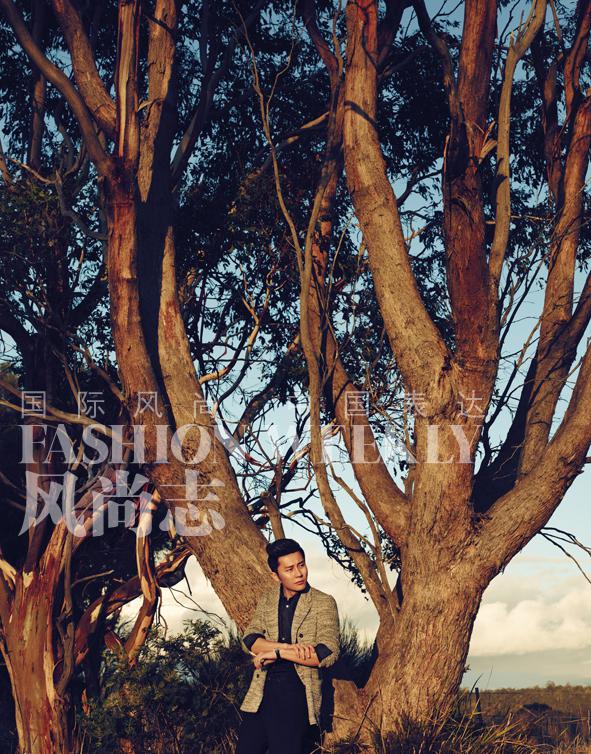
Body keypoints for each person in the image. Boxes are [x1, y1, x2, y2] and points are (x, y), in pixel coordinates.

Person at [235, 538, 340, 754]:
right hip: (260, 694)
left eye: (301, 565)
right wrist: (286, 649)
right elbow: (250, 639)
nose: (299, 573)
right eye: (290, 569)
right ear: (275, 575)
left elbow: (327, 652)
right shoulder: (267, 600)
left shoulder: (323, 602)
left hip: (298, 695)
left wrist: (276, 653)